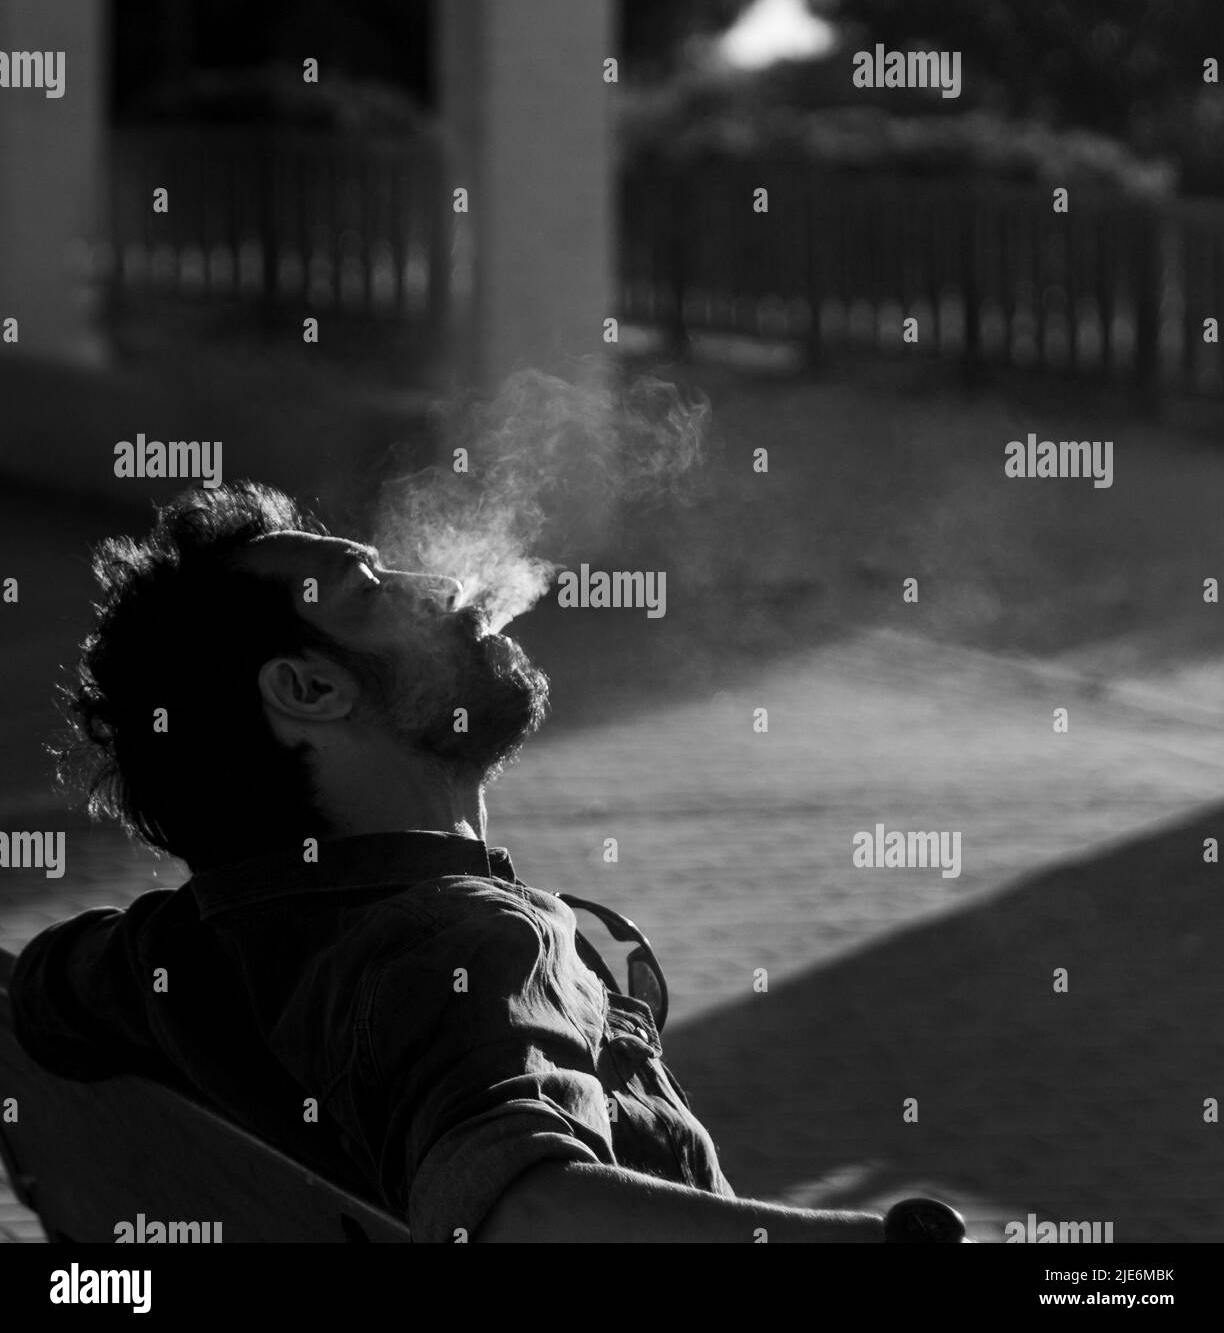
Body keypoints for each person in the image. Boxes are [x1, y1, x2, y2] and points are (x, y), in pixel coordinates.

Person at [10, 481, 953, 1242]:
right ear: (308, 689)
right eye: (373, 592)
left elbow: (37, 993)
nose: (445, 587)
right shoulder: (474, 943)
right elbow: (528, 1212)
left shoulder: (171, 953)